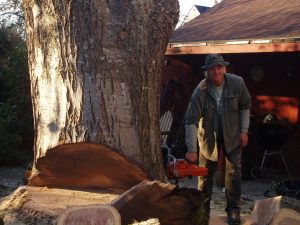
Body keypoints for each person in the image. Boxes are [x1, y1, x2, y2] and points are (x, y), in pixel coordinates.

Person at [185, 54, 251, 225]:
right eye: (212, 68)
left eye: (219, 67)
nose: (216, 71)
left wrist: (244, 131)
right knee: (205, 177)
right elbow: (190, 120)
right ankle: (202, 214)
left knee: (234, 174)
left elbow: (245, 106)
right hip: (208, 138)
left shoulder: (237, 83)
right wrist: (192, 149)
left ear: (225, 68)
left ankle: (234, 212)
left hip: (233, 134)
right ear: (206, 71)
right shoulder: (200, 90)